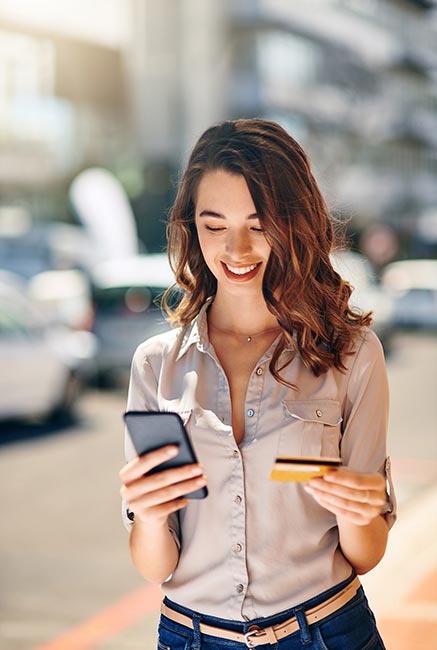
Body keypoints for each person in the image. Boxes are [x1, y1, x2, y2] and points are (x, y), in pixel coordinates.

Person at [119, 118, 396, 649]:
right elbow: (157, 565)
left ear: (294, 222)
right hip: (190, 637)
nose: (237, 248)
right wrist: (150, 519)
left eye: (259, 222)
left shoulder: (353, 355)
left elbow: (366, 553)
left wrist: (361, 512)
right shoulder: (156, 365)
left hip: (327, 631)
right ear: (190, 227)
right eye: (214, 224)